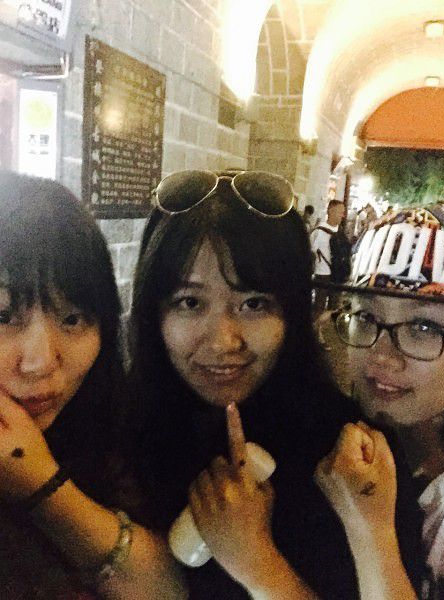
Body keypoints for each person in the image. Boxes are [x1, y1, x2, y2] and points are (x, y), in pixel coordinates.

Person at [127, 168, 419, 599]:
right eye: (189, 302)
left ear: (293, 312)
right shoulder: (117, 431)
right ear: (154, 310)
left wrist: (258, 562)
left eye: (253, 304)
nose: (223, 341)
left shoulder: (351, 464)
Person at [0, 170, 185, 599]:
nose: (41, 363)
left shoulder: (112, 432)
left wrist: (39, 482)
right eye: (4, 316)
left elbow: (167, 590)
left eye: (72, 319)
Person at [314, 205, 444, 598]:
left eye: (423, 326)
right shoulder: (335, 446)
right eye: (367, 318)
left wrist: (370, 530)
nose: (382, 356)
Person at [310, 199, 350, 348]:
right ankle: (317, 335)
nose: (342, 215)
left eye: (343, 212)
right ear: (330, 211)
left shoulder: (340, 231)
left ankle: (313, 329)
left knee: (333, 307)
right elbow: (310, 253)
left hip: (337, 275)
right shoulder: (319, 231)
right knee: (319, 306)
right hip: (322, 274)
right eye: (340, 211)